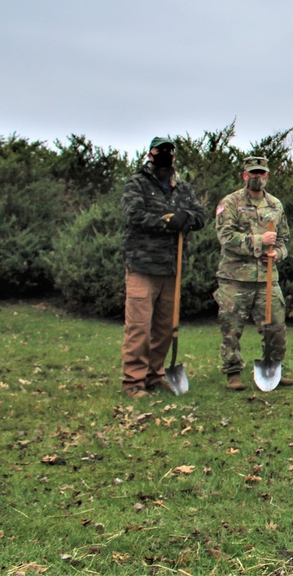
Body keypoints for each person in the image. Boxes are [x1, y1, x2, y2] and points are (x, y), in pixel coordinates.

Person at [120, 136, 206, 399]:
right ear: (150, 154)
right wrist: (166, 221)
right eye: (161, 151)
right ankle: (133, 381)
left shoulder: (182, 187)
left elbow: (200, 216)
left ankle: (154, 374)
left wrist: (186, 218)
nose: (166, 155)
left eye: (170, 151)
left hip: (172, 267)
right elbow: (133, 215)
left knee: (166, 327)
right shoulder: (137, 184)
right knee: (139, 327)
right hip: (142, 266)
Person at [214, 156, 293, 390]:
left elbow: (285, 239)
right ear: (244, 176)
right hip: (235, 278)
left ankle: (273, 368)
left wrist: (278, 252)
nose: (257, 177)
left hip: (267, 278)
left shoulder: (276, 205)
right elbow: (226, 237)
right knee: (231, 328)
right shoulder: (230, 203)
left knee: (276, 327)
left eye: (261, 173)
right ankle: (233, 373)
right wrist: (259, 240)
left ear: (267, 175)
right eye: (253, 173)